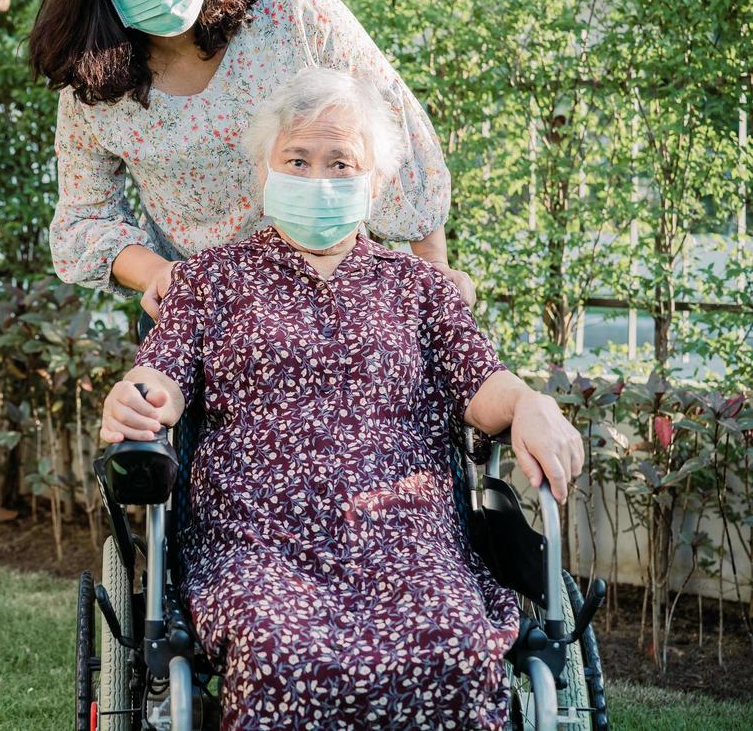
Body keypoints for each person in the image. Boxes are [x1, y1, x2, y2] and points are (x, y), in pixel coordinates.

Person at [97, 68, 585, 729]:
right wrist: (134, 398)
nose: (318, 178)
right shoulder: (208, 281)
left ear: (376, 182)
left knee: (458, 643)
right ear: (265, 171)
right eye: (296, 159)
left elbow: (482, 384)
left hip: (408, 538)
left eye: (341, 162)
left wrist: (531, 404)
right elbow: (161, 378)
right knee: (279, 649)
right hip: (255, 539)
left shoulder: (421, 289)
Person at [29, 0, 474, 319]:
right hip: (199, 309)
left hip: (333, 292)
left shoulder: (288, 9)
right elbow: (85, 218)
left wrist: (435, 271)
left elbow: (394, 128)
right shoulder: (95, 82)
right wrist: (160, 276)